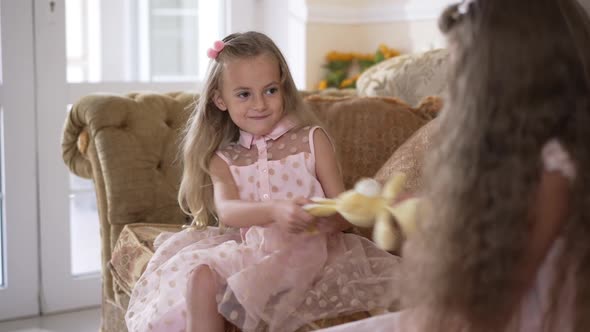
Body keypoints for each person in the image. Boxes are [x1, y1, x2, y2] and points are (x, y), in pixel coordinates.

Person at [316, 0, 590, 331]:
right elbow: (494, 216)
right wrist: (399, 207)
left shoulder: (556, 166)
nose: (456, 91)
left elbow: (497, 295)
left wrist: (431, 243)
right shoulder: (512, 154)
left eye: (465, 76)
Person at [125, 31, 400, 332]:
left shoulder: (311, 140)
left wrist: (322, 222)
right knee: (200, 276)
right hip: (257, 250)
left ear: (283, 87)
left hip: (316, 251)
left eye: (270, 90)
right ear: (220, 100)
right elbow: (228, 210)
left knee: (253, 287)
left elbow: (344, 210)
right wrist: (274, 211)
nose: (260, 104)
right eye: (244, 94)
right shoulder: (224, 158)